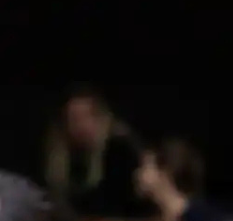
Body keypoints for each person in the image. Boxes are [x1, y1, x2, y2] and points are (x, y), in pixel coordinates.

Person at [42, 86, 152, 221]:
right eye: (74, 118)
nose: (81, 125)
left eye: (87, 116)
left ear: (101, 117)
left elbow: (121, 205)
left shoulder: (120, 149)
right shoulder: (66, 156)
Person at [133, 139, 220, 221]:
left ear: (165, 171)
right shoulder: (163, 216)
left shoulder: (203, 217)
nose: (137, 173)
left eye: (145, 166)